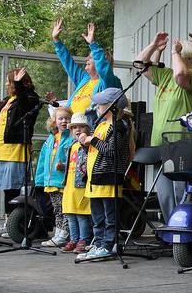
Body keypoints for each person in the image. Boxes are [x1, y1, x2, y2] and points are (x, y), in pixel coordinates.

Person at [135, 32, 192, 223]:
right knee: (165, 193)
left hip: (182, 143)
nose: (174, 58)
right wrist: (154, 46)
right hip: (161, 142)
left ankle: (183, 228)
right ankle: (171, 229)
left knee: (179, 191)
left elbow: (181, 76)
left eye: (179, 56)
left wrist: (175, 54)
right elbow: (139, 64)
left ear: (188, 59)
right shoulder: (165, 75)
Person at [0, 68, 39, 237]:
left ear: (18, 83)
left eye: (9, 81)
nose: (6, 84)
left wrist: (20, 84)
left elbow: (23, 106)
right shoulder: (9, 99)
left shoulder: (30, 97)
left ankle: (15, 223)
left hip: (16, 151)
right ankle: (8, 222)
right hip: (3, 151)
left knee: (14, 189)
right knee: (7, 190)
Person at [76, 88, 132, 260]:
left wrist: (92, 139)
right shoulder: (101, 125)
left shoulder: (120, 126)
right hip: (95, 179)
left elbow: (111, 150)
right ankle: (99, 243)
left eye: (100, 104)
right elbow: (97, 149)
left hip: (109, 178)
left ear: (111, 107)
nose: (97, 107)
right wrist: (85, 143)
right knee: (97, 217)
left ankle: (108, 245)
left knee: (109, 216)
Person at [51, 19, 122, 119]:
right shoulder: (84, 79)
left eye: (91, 57)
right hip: (73, 129)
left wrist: (93, 44)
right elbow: (68, 63)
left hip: (91, 131)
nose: (86, 59)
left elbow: (104, 69)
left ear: (100, 60)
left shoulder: (108, 82)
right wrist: (56, 40)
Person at [35, 106, 74, 247]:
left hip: (63, 180)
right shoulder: (51, 139)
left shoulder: (71, 138)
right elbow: (42, 160)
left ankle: (64, 234)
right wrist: (40, 179)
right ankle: (58, 233)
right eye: (61, 118)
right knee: (57, 209)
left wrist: (63, 166)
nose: (64, 121)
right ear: (54, 121)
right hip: (51, 181)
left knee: (65, 208)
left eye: (67, 118)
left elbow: (73, 158)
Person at [60, 112, 93, 254]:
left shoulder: (86, 145)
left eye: (81, 127)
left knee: (81, 214)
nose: (77, 130)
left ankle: (83, 239)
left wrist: (85, 142)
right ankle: (73, 239)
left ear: (87, 129)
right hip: (70, 185)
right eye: (74, 128)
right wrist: (62, 167)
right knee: (71, 214)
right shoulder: (72, 146)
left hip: (81, 186)